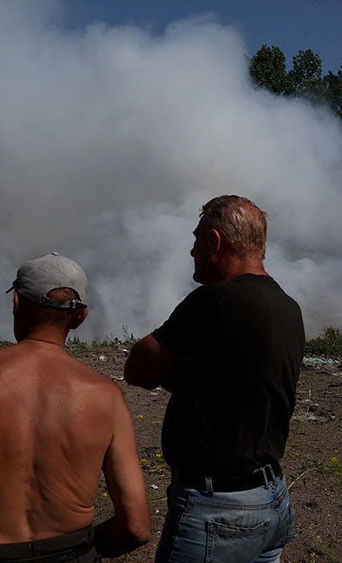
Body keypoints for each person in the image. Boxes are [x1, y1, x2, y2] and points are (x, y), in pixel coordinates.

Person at [0, 253, 150, 563]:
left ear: (17, 305)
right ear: (81, 316)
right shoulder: (106, 396)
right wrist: (84, 551)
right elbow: (137, 527)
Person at [124, 195, 303, 563]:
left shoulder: (214, 302)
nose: (191, 251)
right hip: (272, 497)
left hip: (218, 507)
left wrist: (176, 376)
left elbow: (138, 366)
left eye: (195, 240)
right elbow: (239, 384)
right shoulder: (288, 306)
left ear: (214, 241)